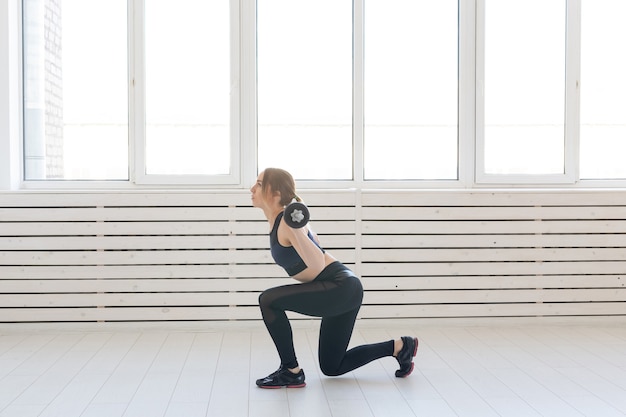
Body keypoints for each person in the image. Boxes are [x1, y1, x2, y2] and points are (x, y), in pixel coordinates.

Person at [250, 167, 418, 388]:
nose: (252, 188)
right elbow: (315, 242)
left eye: (260, 184)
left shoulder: (287, 222)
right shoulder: (287, 219)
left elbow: (318, 262)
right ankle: (399, 347)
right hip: (341, 288)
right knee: (332, 366)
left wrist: (296, 229)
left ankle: (291, 370)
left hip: (339, 286)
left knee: (268, 300)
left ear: (276, 193)